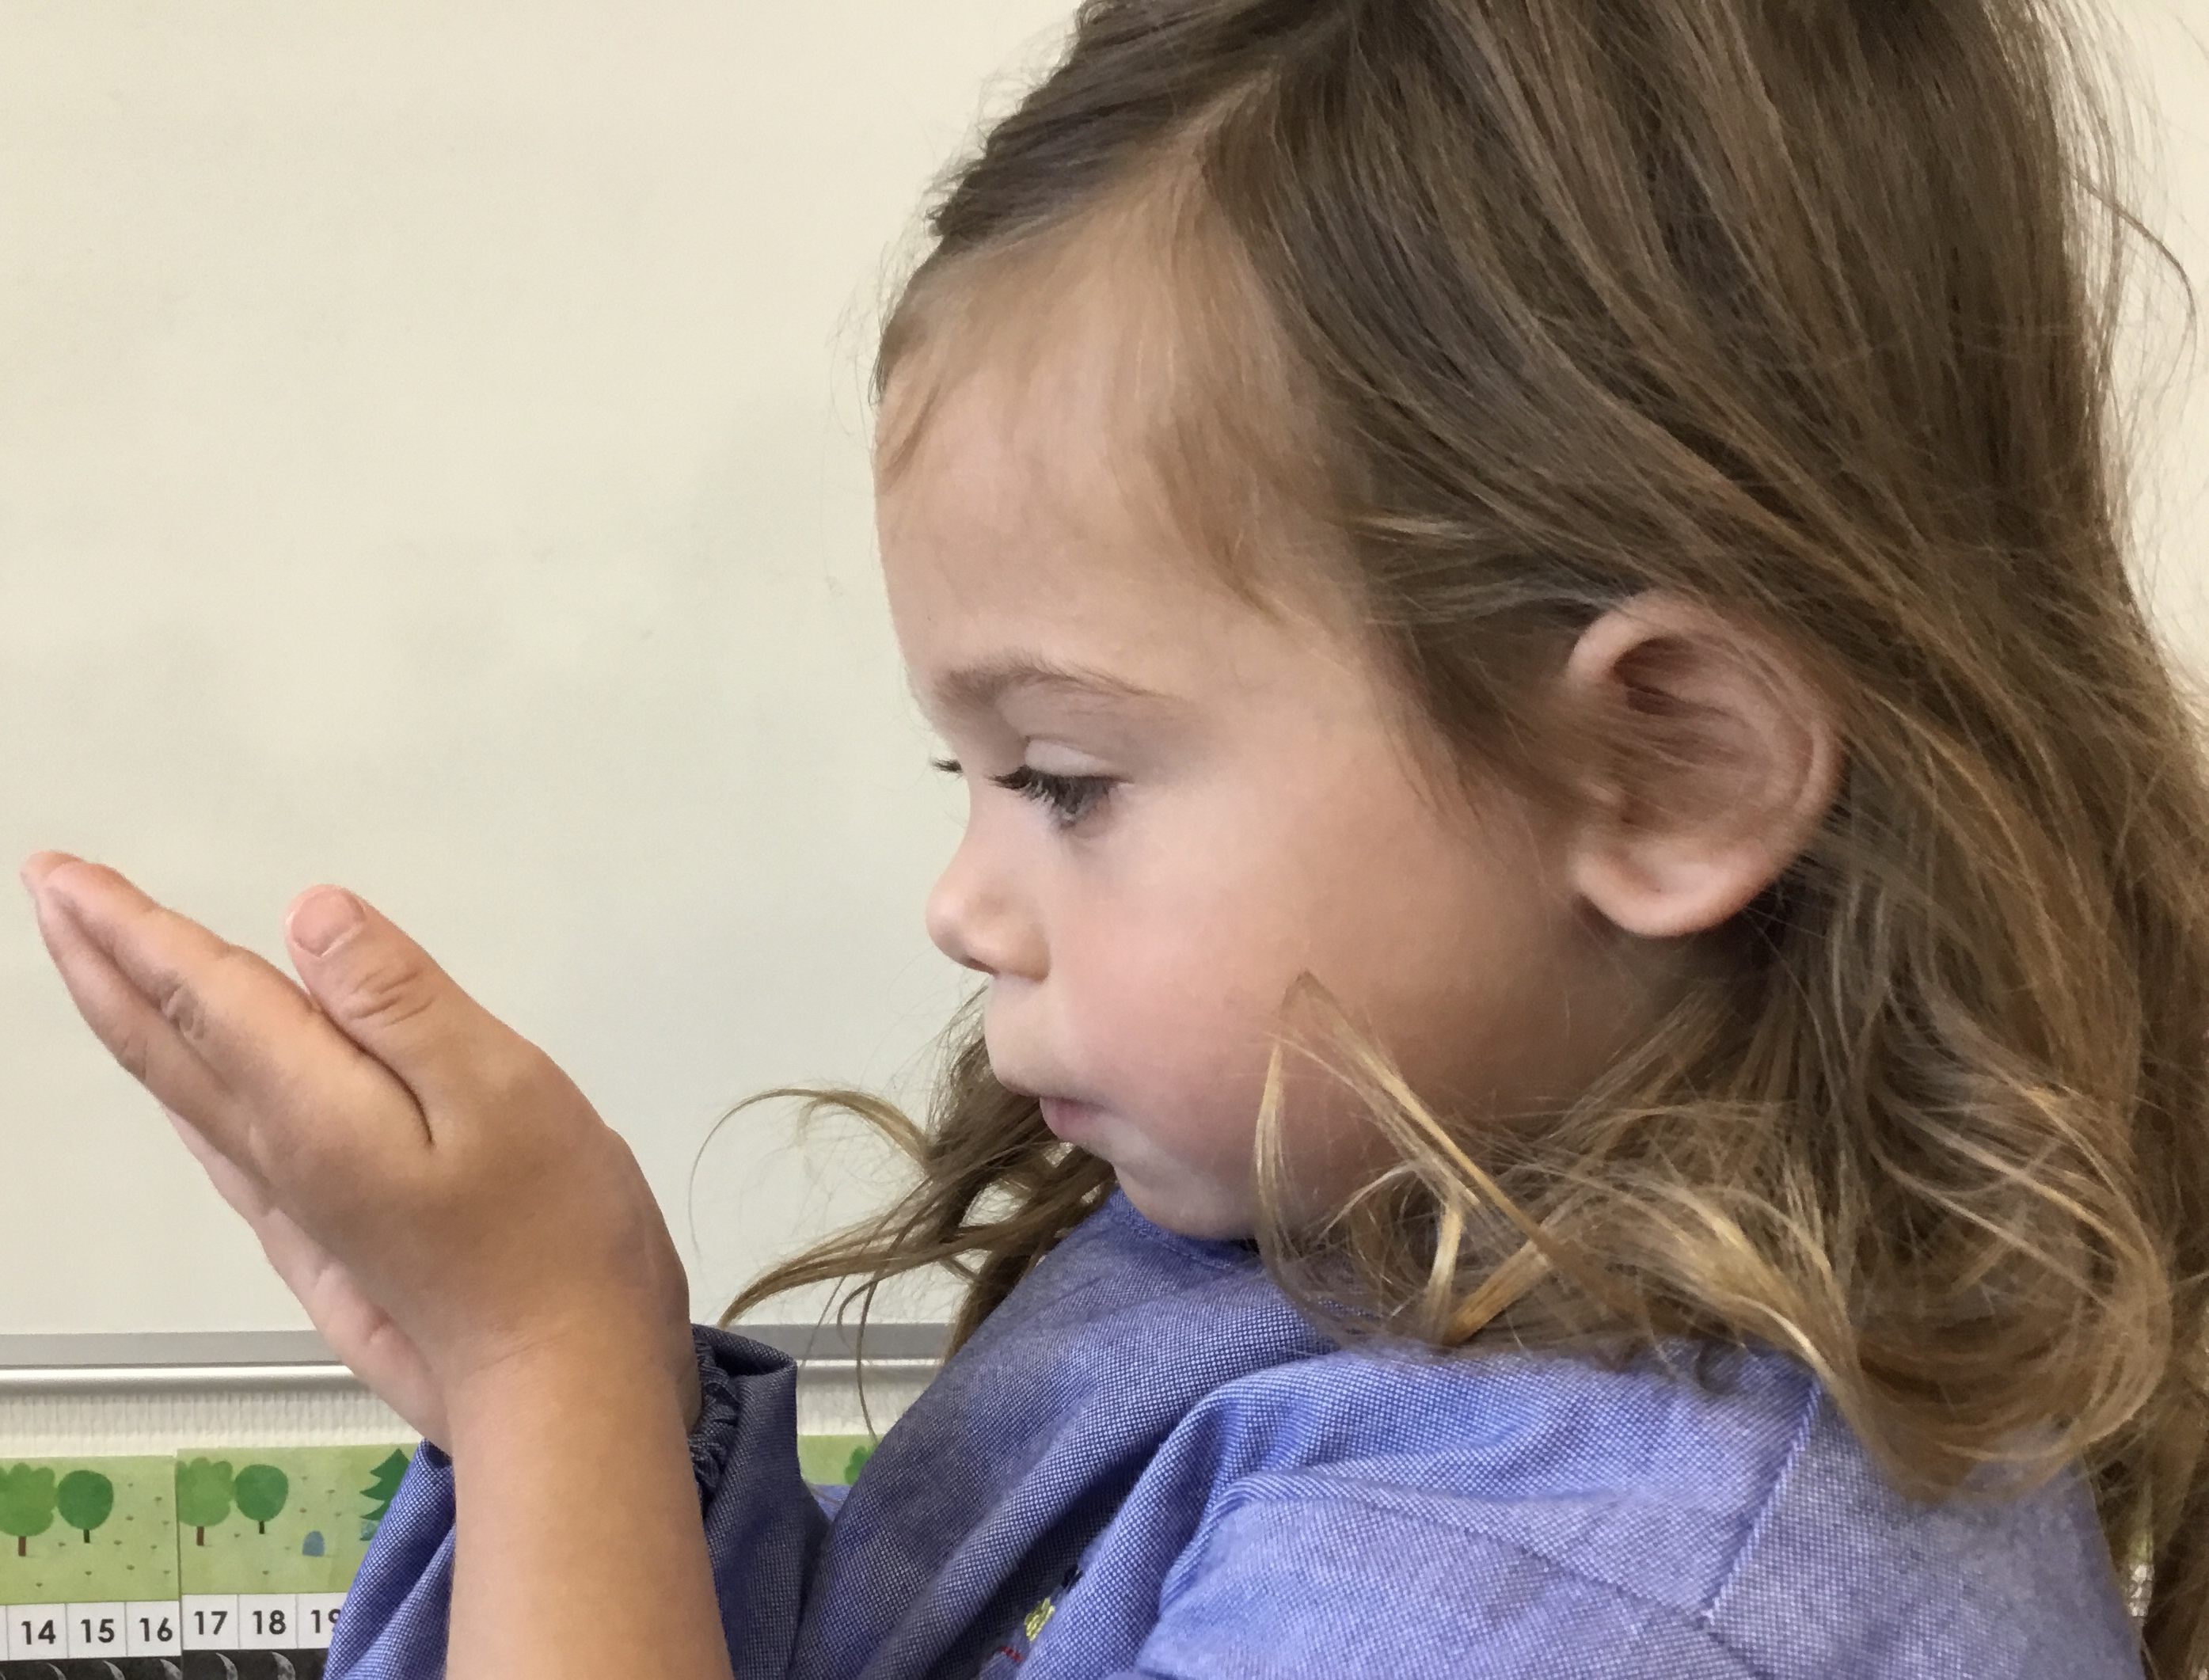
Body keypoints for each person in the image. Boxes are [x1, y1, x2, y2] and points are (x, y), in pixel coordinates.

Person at [21, 0, 2209, 1674]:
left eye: (1065, 777)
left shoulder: (1577, 1601)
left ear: (1670, 773)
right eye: (962, 779)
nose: (964, 901)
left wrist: (548, 1373)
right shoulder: (1306, 1231)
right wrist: (547, 1429)